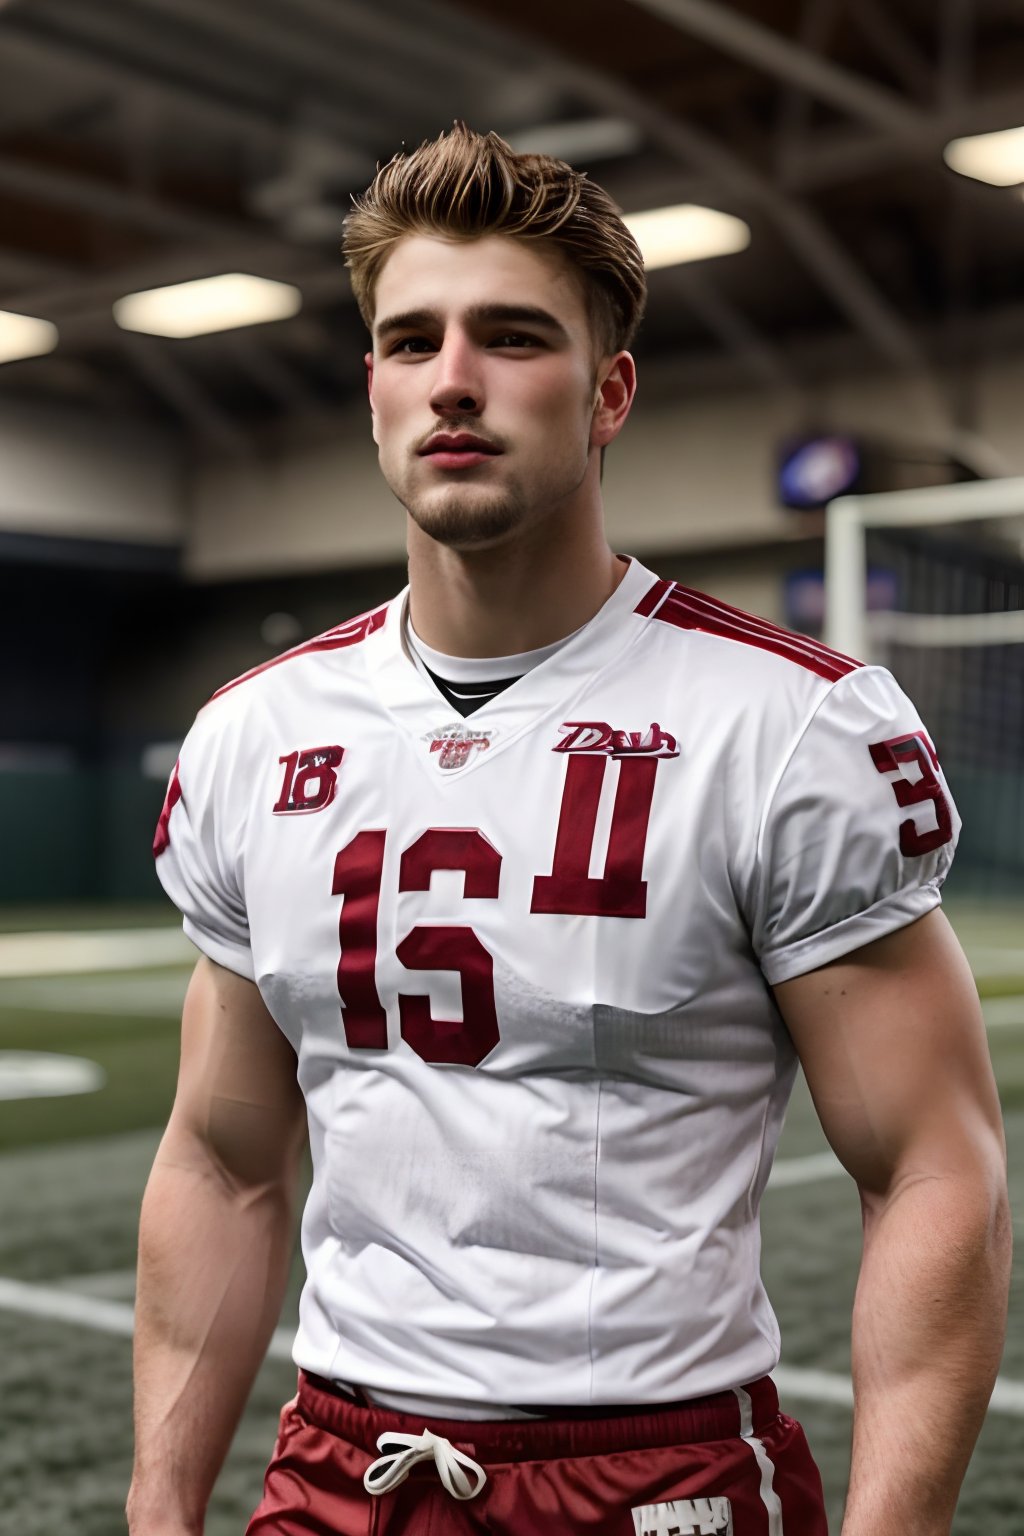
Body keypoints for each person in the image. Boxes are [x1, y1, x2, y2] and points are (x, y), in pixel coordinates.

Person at [128, 125, 1011, 1536]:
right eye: (410, 341)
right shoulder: (256, 735)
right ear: (371, 391)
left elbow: (930, 1167)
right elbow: (225, 1160)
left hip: (654, 1472)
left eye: (513, 338)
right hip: (339, 1470)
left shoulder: (784, 725)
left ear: (608, 394)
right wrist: (160, 1509)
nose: (454, 382)